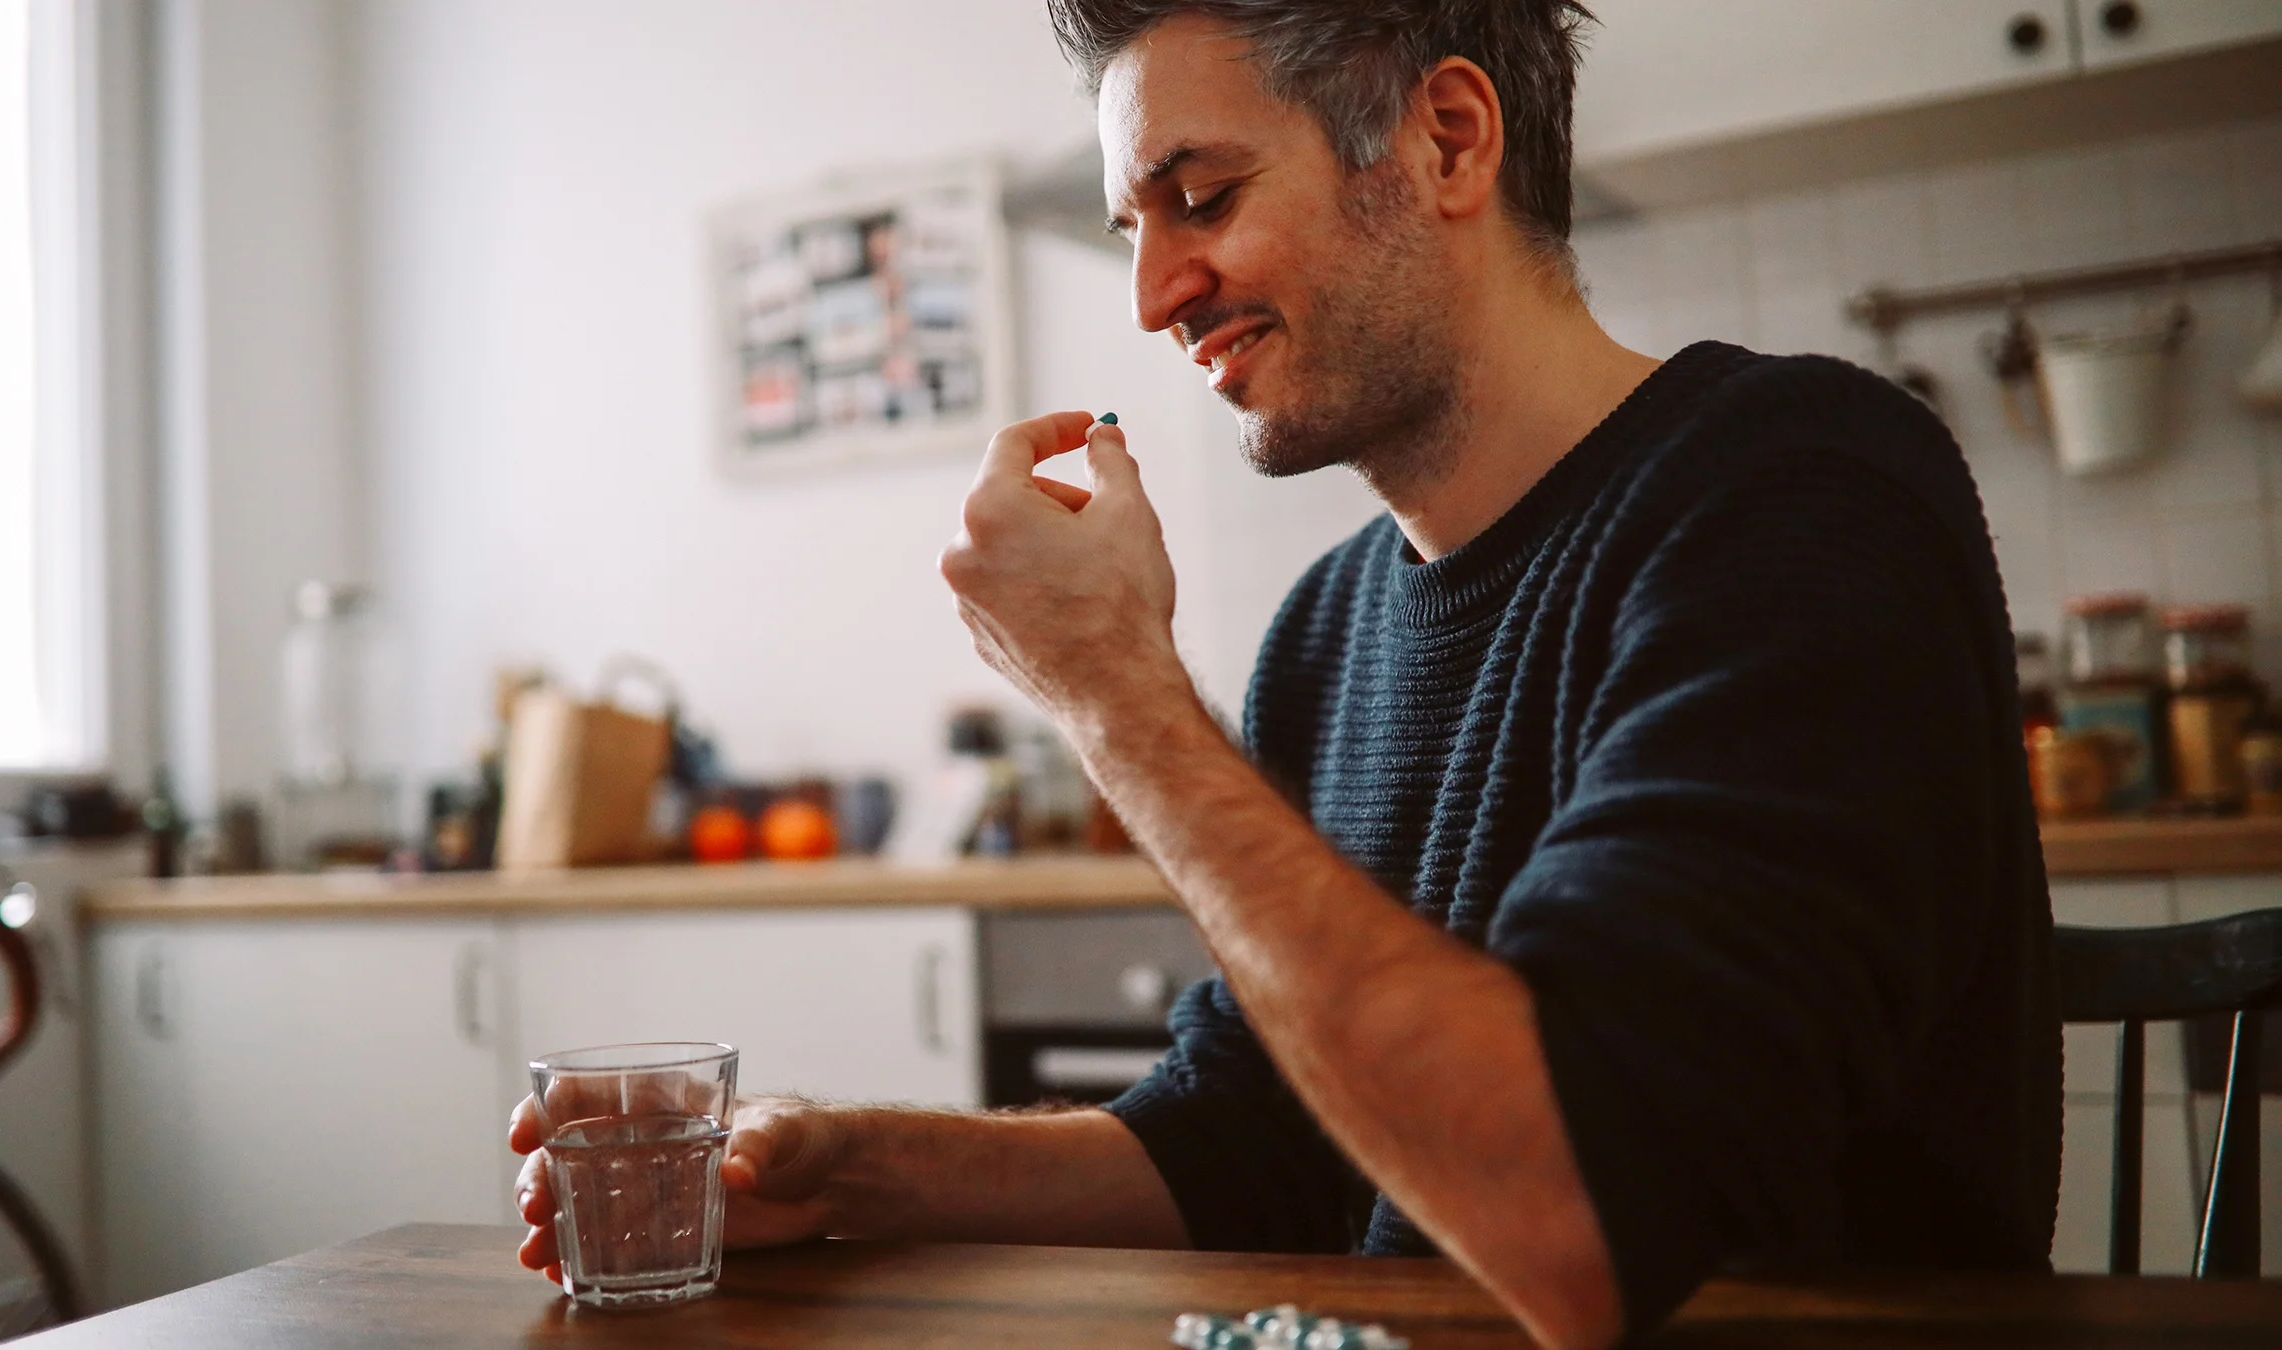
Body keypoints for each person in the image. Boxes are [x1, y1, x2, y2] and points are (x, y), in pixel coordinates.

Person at [510, 3, 2061, 1345]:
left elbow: (1590, 1218)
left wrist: (1120, 695)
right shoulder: (1328, 634)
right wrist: (841, 1165)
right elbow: (1248, 1138)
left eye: (1200, 195)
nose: (1154, 294)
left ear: (1450, 139)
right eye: (1135, 229)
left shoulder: (1803, 493)